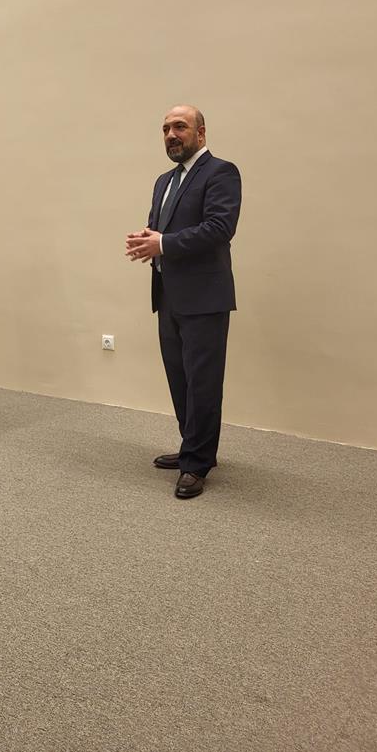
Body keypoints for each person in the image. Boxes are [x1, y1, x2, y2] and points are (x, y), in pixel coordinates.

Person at [125, 106, 241, 499]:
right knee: (180, 379)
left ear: (201, 133)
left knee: (203, 383)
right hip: (169, 295)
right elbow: (162, 228)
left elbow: (220, 228)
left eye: (180, 127)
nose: (171, 134)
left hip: (205, 298)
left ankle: (197, 463)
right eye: (165, 129)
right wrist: (148, 238)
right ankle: (192, 445)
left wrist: (163, 243)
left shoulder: (221, 172)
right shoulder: (165, 180)